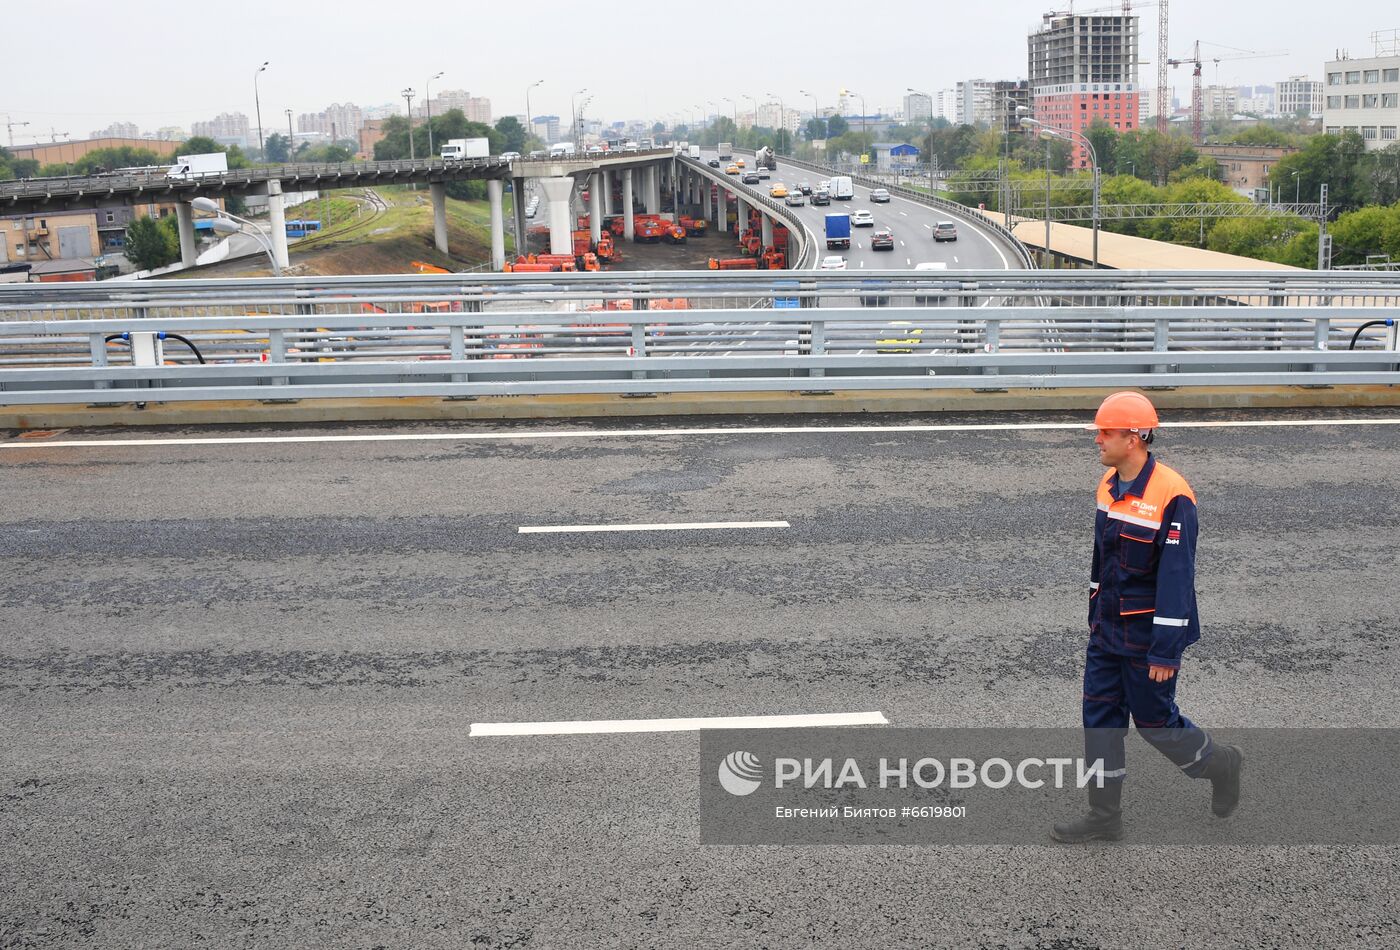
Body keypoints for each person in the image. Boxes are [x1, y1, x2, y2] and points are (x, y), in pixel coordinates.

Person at [1052, 391, 1243, 844]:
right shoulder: (1108, 486)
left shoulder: (1172, 495)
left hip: (1146, 637)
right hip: (1107, 631)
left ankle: (1220, 763)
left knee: (1156, 724)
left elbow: (1177, 580)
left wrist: (1166, 650)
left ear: (1134, 438)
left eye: (1105, 432)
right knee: (1099, 720)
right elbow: (1102, 558)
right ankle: (1104, 815)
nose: (1097, 440)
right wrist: (1094, 615)